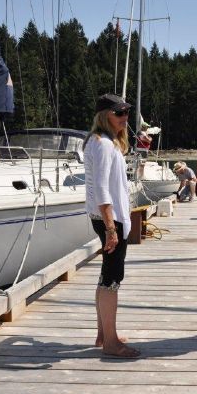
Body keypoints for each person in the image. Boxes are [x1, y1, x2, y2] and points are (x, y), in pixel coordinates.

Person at [83, 93, 141, 358]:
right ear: (106, 115)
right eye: (120, 113)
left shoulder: (99, 142)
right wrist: (111, 229)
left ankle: (102, 333)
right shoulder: (104, 145)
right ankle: (111, 342)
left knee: (106, 275)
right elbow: (103, 190)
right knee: (112, 279)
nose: (125, 117)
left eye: (126, 112)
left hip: (104, 217)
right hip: (110, 219)